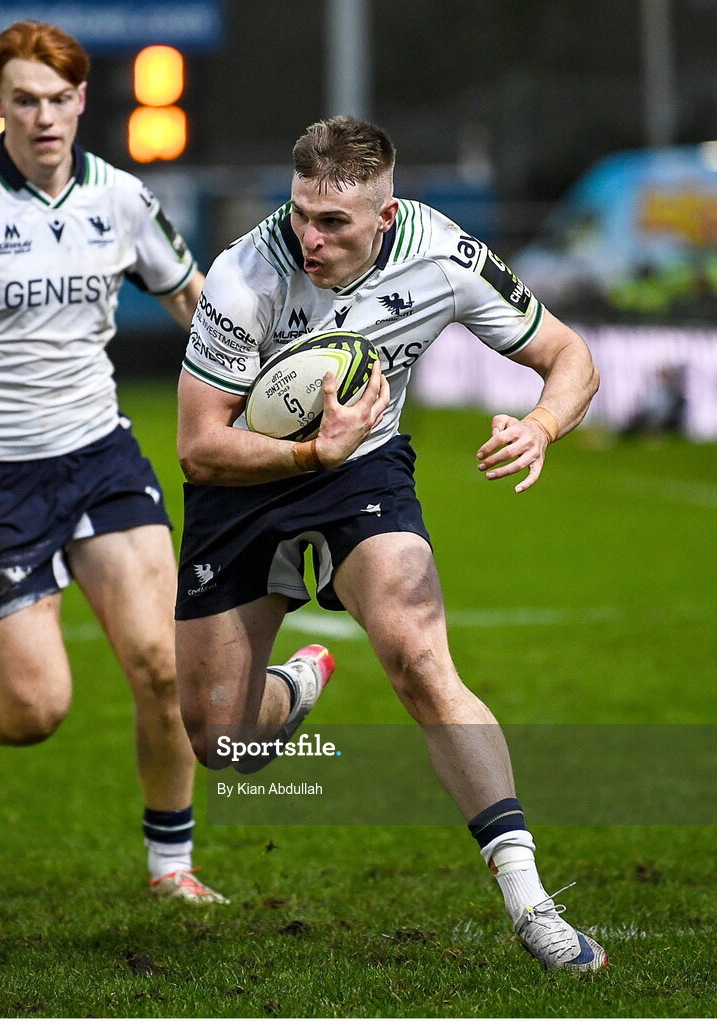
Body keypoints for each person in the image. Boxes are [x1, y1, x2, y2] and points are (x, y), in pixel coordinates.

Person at [174, 116, 607, 964]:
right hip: (243, 479)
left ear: (385, 214)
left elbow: (568, 354)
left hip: (362, 472)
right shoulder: (243, 274)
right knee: (222, 741)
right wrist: (306, 450)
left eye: (333, 222)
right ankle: (295, 687)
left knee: (417, 657)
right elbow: (198, 444)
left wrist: (543, 426)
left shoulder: (442, 256)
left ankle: (528, 901)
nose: (309, 236)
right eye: (301, 212)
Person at [0, 20, 225, 904]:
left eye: (59, 100)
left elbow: (193, 300)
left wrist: (263, 379)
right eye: (25, 100)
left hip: (100, 453)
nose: (44, 118)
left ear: (82, 100)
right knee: (35, 709)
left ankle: (170, 868)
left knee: (163, 664)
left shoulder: (122, 199)